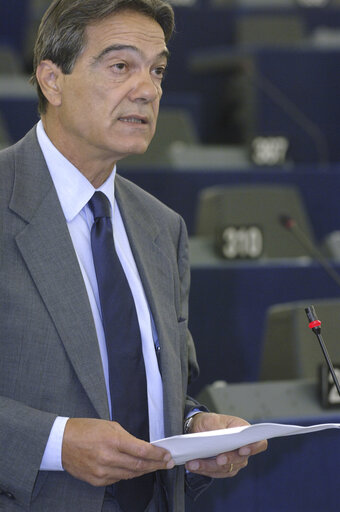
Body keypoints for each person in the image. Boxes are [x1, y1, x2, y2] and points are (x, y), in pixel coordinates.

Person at [0, 0, 267, 511]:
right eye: (121, 66)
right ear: (52, 81)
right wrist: (55, 445)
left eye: (158, 70)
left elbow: (162, 390)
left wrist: (195, 429)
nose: (147, 90)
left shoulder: (162, 228)